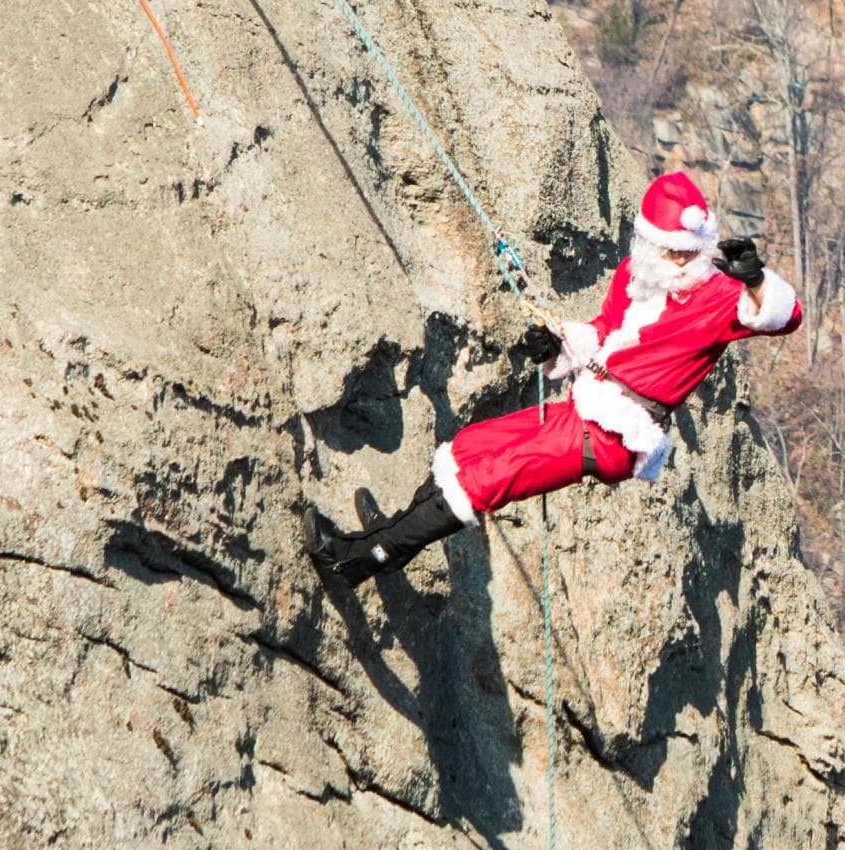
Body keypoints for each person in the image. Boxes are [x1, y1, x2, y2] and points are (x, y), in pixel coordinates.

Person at [312, 168, 802, 588]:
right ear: (650, 244)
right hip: (583, 410)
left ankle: (357, 560)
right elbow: (605, 331)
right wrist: (558, 344)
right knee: (468, 448)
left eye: (688, 252)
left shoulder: (720, 296)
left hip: (613, 435)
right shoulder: (635, 275)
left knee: (486, 479)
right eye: (671, 250)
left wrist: (756, 280)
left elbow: (786, 315)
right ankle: (392, 539)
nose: (680, 261)